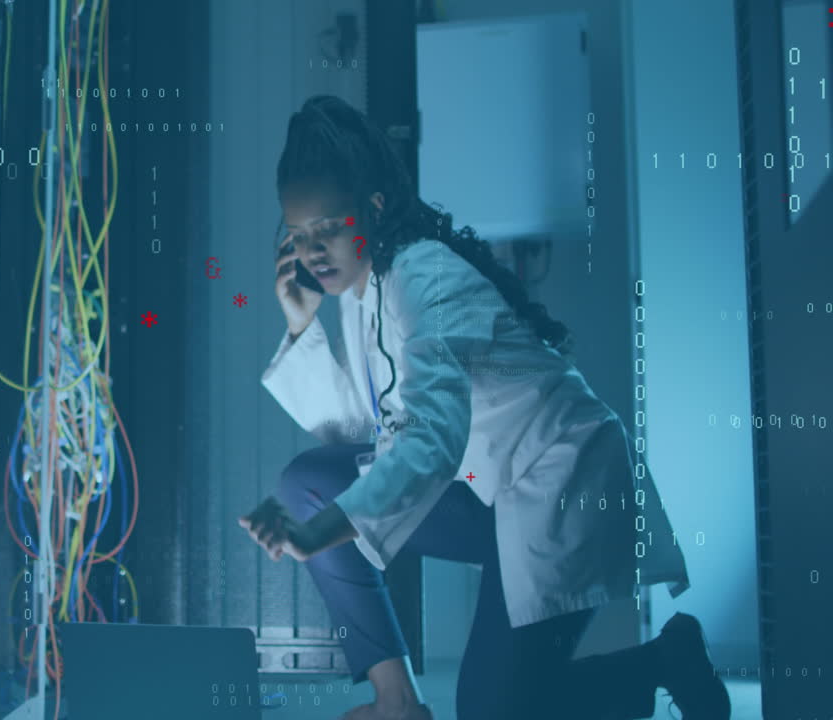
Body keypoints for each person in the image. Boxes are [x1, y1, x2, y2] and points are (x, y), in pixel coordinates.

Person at [237, 95, 730, 720]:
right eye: (298, 234)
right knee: (311, 482)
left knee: (494, 711)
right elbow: (369, 438)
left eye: (328, 227)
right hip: (487, 494)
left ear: (374, 208)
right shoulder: (360, 294)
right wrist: (301, 325)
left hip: (560, 486)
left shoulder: (421, 276)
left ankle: (664, 660)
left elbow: (427, 442)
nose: (312, 251)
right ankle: (396, 703)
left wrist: (316, 534)